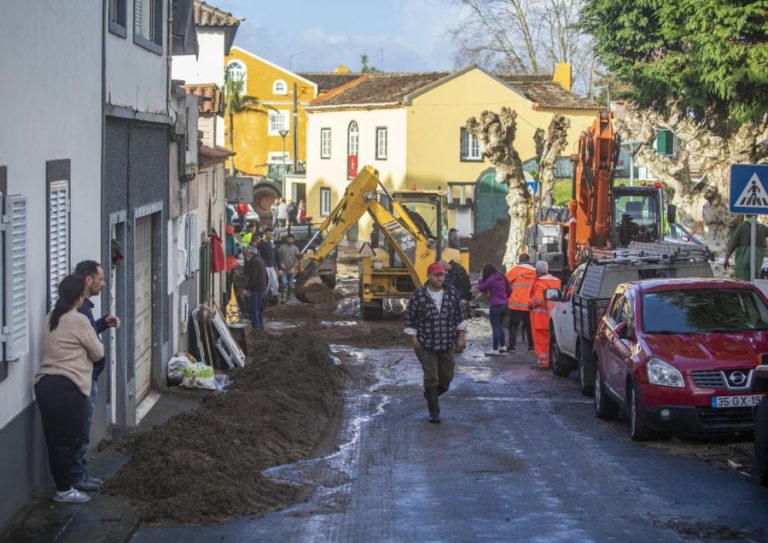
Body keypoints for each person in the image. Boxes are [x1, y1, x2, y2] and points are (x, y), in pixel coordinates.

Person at [34, 274, 105, 503]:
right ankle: (65, 490)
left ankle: (63, 487)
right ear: (80, 297)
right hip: (69, 385)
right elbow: (98, 352)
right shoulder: (78, 319)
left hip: (45, 384)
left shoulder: (51, 317)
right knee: (70, 439)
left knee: (55, 440)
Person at [71, 261, 120, 492]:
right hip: (83, 378)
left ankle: (78, 476)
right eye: (100, 279)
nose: (103, 283)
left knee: (81, 430)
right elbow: (89, 345)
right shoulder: (80, 310)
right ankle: (77, 478)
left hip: (86, 377)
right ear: (88, 280)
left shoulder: (84, 309)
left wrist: (101, 324)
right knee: (81, 430)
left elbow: (85, 335)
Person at [404, 262, 467, 423]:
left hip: (446, 341)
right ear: (429, 276)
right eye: (436, 275)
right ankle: (434, 412)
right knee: (431, 377)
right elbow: (410, 317)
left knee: (447, 376)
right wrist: (414, 338)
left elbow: (459, 316)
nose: (440, 278)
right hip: (425, 343)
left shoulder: (451, 293)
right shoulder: (418, 296)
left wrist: (461, 337)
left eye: (442, 275)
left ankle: (430, 394)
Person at [529, 260, 562, 369]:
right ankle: (553, 361)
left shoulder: (540, 283)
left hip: (541, 318)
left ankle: (544, 363)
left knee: (542, 341)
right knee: (552, 340)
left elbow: (538, 299)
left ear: (537, 271)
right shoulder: (557, 281)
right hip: (555, 317)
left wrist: (530, 304)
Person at [478, 264, 511, 354]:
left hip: (496, 305)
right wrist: (504, 298)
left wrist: (480, 278)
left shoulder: (491, 280)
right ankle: (503, 346)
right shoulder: (502, 277)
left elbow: (481, 288)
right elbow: (509, 290)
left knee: (495, 327)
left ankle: (495, 349)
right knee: (500, 326)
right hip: (504, 305)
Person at [506, 253, 536, 352]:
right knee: (529, 326)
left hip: (515, 304)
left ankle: (512, 347)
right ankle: (531, 346)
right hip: (529, 304)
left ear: (520, 261)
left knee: (513, 325)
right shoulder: (535, 272)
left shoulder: (515, 270)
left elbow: (505, 281)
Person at [724, 216, 768, 281]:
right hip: (757, 260)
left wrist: (726, 258)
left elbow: (733, 243)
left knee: (742, 283)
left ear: (746, 215)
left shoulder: (741, 227)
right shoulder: (763, 228)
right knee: (755, 282)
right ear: (757, 216)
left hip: (742, 260)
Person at [243, 246, 268, 328]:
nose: (246, 256)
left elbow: (253, 277)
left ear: (250, 253)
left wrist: (246, 289)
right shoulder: (261, 260)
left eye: (246, 254)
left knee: (254, 311)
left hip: (256, 290)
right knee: (260, 311)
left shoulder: (253, 262)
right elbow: (266, 276)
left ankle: (256, 330)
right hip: (263, 289)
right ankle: (261, 327)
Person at [256, 228, 280, 299]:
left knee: (275, 285)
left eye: (271, 234)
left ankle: (273, 299)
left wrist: (277, 267)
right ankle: (263, 300)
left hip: (271, 266)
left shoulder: (271, 243)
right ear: (265, 234)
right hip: (264, 267)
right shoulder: (261, 244)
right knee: (265, 285)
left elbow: (274, 256)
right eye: (269, 234)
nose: (270, 235)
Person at [278, 234, 302, 301]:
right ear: (286, 240)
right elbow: (278, 258)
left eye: (291, 239)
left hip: (292, 270)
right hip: (284, 270)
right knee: (284, 283)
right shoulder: (282, 248)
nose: (290, 240)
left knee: (290, 285)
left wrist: (294, 268)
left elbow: (298, 259)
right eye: (289, 239)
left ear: (293, 240)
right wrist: (280, 264)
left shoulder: (296, 248)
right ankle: (282, 297)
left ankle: (288, 298)